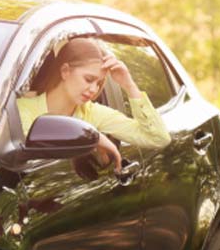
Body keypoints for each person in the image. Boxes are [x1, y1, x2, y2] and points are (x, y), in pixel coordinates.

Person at [17, 37, 170, 172]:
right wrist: (96, 138)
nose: (94, 90)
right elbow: (23, 154)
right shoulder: (20, 109)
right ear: (65, 71)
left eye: (99, 83)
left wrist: (128, 85)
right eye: (89, 79)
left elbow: (158, 138)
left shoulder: (93, 113)